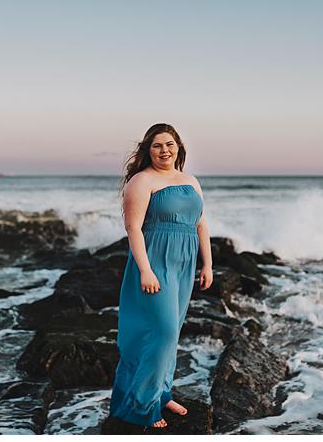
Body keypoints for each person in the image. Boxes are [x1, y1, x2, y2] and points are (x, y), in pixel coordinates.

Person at [109, 123, 214, 429]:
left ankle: (161, 391)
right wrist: (145, 270)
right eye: (157, 145)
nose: (164, 150)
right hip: (155, 262)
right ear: (148, 150)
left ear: (179, 147)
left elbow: (201, 224)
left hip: (184, 263)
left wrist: (207, 264)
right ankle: (142, 406)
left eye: (169, 144)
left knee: (172, 333)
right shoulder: (141, 182)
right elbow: (133, 230)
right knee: (161, 332)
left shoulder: (190, 180)